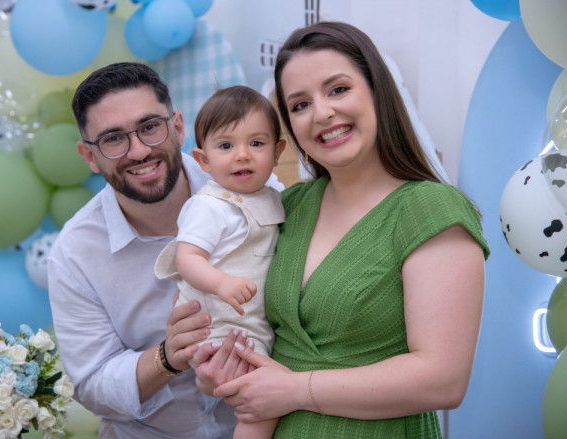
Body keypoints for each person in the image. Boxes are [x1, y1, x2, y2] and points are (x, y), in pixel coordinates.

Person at [195, 21, 490, 438]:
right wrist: (218, 370)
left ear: (377, 91)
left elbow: (443, 379)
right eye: (299, 105)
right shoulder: (288, 207)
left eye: (338, 89)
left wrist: (296, 389)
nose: (322, 113)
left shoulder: (431, 209)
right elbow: (260, 334)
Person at [47, 62, 273, 438]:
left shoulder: (253, 190)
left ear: (178, 127)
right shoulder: (74, 254)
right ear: (89, 156)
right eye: (113, 139)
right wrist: (166, 358)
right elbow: (91, 385)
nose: (138, 151)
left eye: (150, 127)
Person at [155, 85, 286, 438]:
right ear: (204, 160)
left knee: (264, 400)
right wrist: (221, 283)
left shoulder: (276, 196)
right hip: (221, 328)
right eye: (226, 146)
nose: (242, 155)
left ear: (278, 152)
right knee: (260, 409)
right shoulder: (209, 206)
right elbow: (187, 259)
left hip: (252, 324)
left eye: (256, 143)